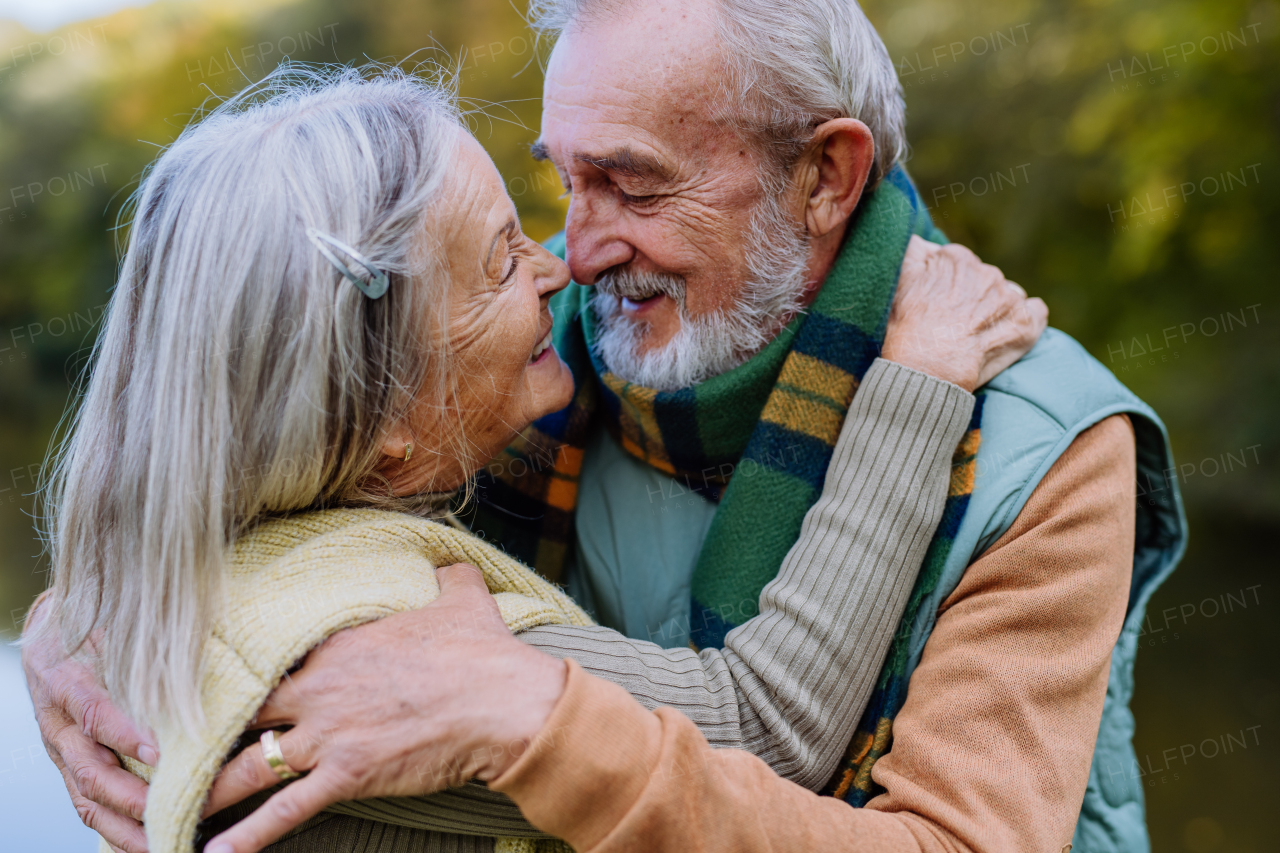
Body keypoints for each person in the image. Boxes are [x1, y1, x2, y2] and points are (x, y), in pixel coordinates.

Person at [171, 1, 1187, 851]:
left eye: (632, 183)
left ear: (825, 177)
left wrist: (536, 721)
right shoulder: (489, 382)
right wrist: (97, 628)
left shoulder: (1044, 444)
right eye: (565, 179)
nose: (575, 251)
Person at [20, 63, 1045, 853]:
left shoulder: (199, 574)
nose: (561, 266)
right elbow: (768, 723)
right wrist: (915, 385)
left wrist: (75, 610)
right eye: (500, 262)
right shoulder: (386, 637)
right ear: (384, 427)